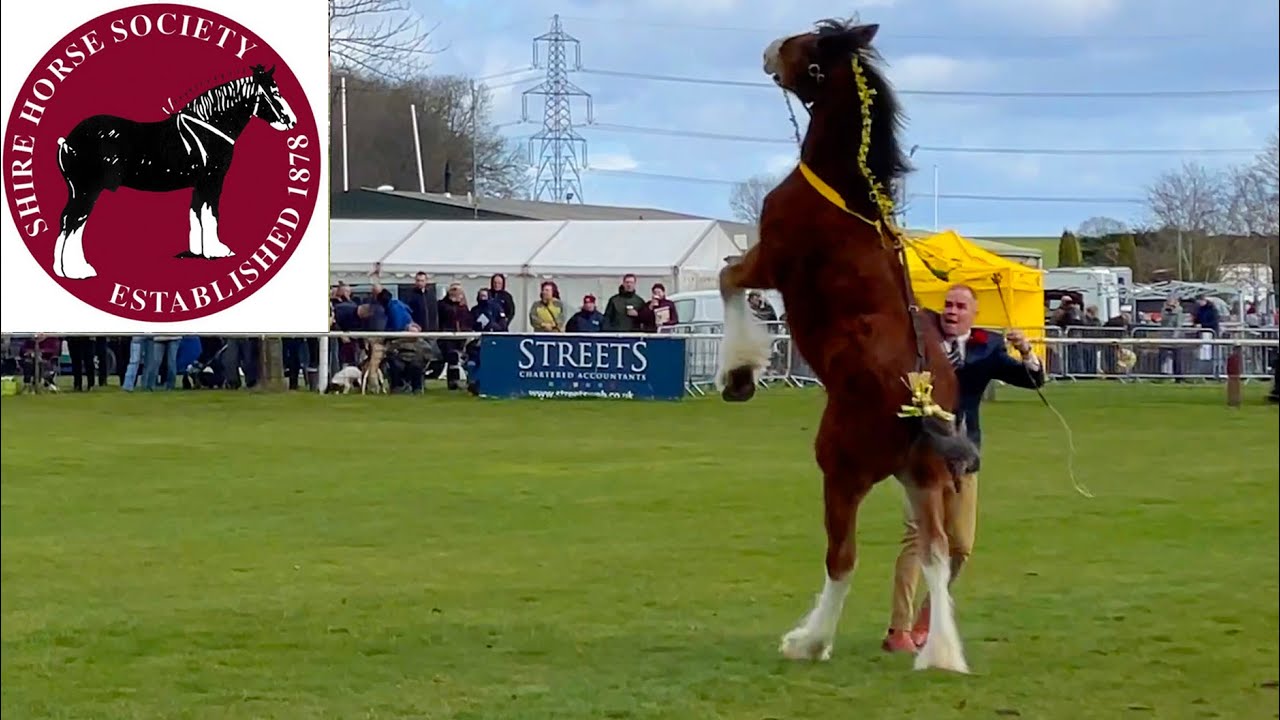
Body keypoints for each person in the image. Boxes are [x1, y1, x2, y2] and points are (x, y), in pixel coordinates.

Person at [881, 283, 1047, 654]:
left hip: (963, 457)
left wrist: (1026, 352)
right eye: (947, 306)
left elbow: (1032, 380)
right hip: (920, 456)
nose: (951, 313)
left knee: (961, 546)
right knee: (917, 536)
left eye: (959, 307)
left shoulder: (986, 348)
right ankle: (899, 630)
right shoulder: (922, 343)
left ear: (973, 313)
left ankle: (927, 618)